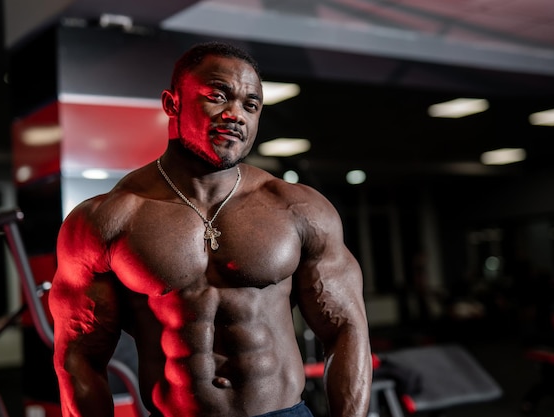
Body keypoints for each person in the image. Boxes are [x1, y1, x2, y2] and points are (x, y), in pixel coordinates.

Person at [49, 41, 372, 417]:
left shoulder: (298, 209)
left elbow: (346, 330)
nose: (236, 114)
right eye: (218, 96)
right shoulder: (106, 219)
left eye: (250, 105)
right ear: (172, 104)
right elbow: (79, 357)